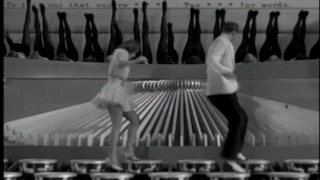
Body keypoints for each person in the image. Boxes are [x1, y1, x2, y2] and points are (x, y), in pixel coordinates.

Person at [91, 40, 148, 171]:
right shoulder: (122, 52)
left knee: (134, 121)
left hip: (118, 90)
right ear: (133, 50)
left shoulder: (119, 52)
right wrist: (138, 60)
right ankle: (112, 157)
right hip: (114, 91)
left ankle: (128, 152)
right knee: (117, 124)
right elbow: (120, 63)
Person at [205, 22, 248, 173]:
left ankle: (235, 151)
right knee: (237, 118)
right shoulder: (220, 42)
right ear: (235, 32)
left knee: (242, 116)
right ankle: (229, 158)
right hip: (219, 90)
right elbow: (211, 60)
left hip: (225, 89)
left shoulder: (224, 42)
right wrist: (226, 73)